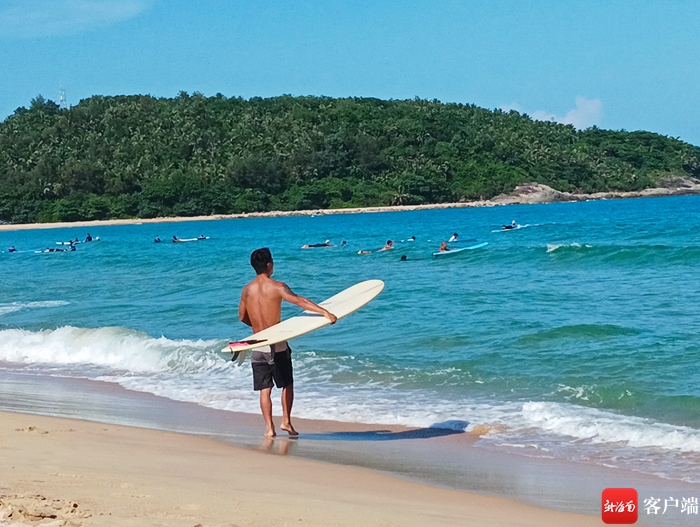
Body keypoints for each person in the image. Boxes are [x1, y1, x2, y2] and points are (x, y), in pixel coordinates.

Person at [239, 248, 337, 437]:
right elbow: (299, 301)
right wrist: (325, 312)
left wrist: (258, 328)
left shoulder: (246, 290)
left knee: (264, 389)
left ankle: (269, 429)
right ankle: (286, 422)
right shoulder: (277, 286)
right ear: (269, 265)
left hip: (257, 343)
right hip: (277, 344)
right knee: (287, 383)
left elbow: (242, 316)